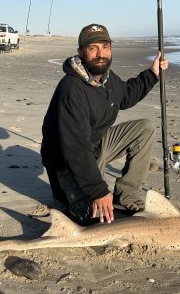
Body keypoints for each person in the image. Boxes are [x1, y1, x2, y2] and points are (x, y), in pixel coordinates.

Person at [41, 23, 168, 225]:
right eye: (93, 48)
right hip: (66, 162)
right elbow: (75, 149)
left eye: (105, 47)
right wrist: (98, 191)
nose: (101, 54)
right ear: (81, 52)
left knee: (145, 128)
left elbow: (125, 95)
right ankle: (72, 199)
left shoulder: (108, 78)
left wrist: (152, 74)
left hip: (95, 146)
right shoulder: (72, 89)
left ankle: (125, 195)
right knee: (94, 219)